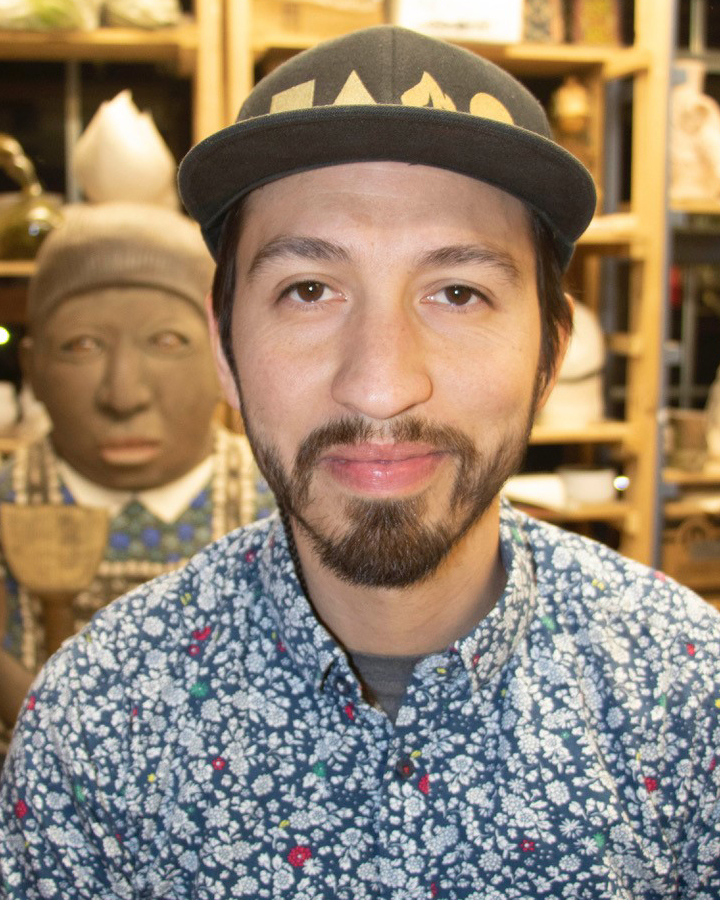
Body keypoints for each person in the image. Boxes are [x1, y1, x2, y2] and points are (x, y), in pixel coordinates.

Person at [1, 25, 719, 899]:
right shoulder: (99, 725)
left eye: (459, 292)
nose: (380, 387)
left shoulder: (687, 703)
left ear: (550, 353)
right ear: (224, 346)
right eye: (308, 290)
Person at [0, 202, 274, 746]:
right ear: (32, 365)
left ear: (227, 353)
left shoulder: (291, 514)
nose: (124, 395)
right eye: (82, 346)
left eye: (167, 343)